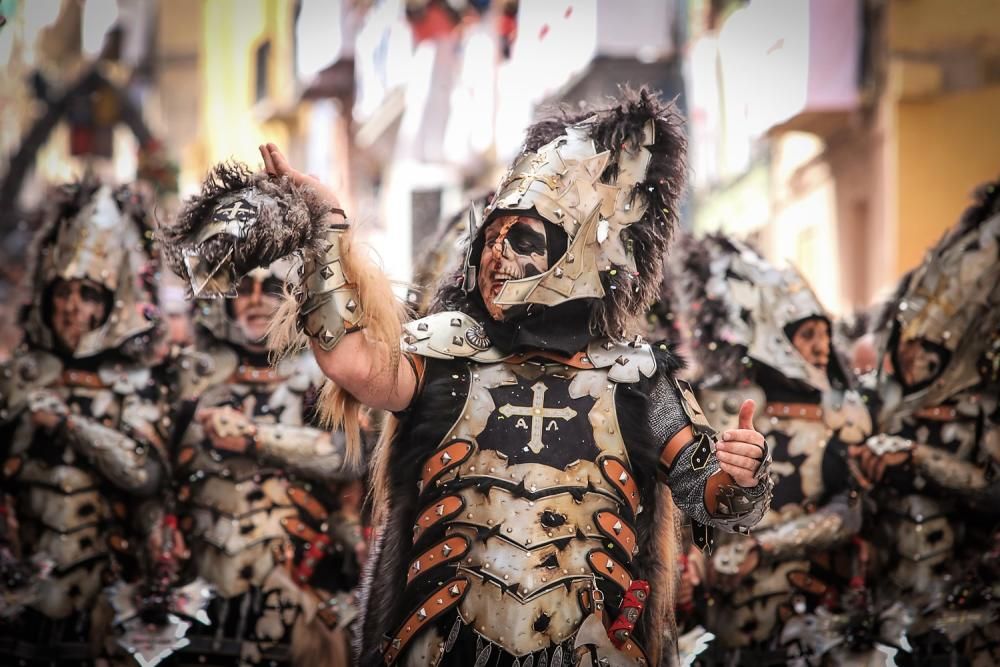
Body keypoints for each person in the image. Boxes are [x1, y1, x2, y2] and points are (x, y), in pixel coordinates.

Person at [246, 88, 773, 666]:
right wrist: (327, 227)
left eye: (521, 238)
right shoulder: (442, 349)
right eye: (490, 238)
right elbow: (349, 362)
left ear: (576, 254)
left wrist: (742, 471)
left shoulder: (638, 377)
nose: (496, 256)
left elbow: (718, 502)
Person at [161, 163, 366, 666]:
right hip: (202, 603)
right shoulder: (190, 375)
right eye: (242, 288)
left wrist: (255, 438)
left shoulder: (325, 374)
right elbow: (160, 472)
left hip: (297, 595)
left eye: (268, 288)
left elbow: (348, 459)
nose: (254, 300)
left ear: (290, 296)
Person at [673, 234, 872, 665]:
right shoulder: (723, 405)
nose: (822, 347)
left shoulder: (839, 414)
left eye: (824, 333)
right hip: (722, 619)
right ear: (775, 335)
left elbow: (849, 511)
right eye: (807, 334)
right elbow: (688, 503)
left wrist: (765, 547)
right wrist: (687, 564)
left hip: (810, 614)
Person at [0, 177, 172, 664]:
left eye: (89, 294)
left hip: (106, 592)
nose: (73, 307)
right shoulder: (18, 376)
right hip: (20, 596)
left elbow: (145, 475)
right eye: (65, 292)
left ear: (110, 304)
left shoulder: (136, 382)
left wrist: (71, 425)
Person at [850, 180, 1000, 665]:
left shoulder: (983, 408)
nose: (913, 361)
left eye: (927, 351)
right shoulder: (881, 403)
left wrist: (918, 457)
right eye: (908, 347)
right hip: (887, 611)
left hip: (965, 615)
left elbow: (992, 492)